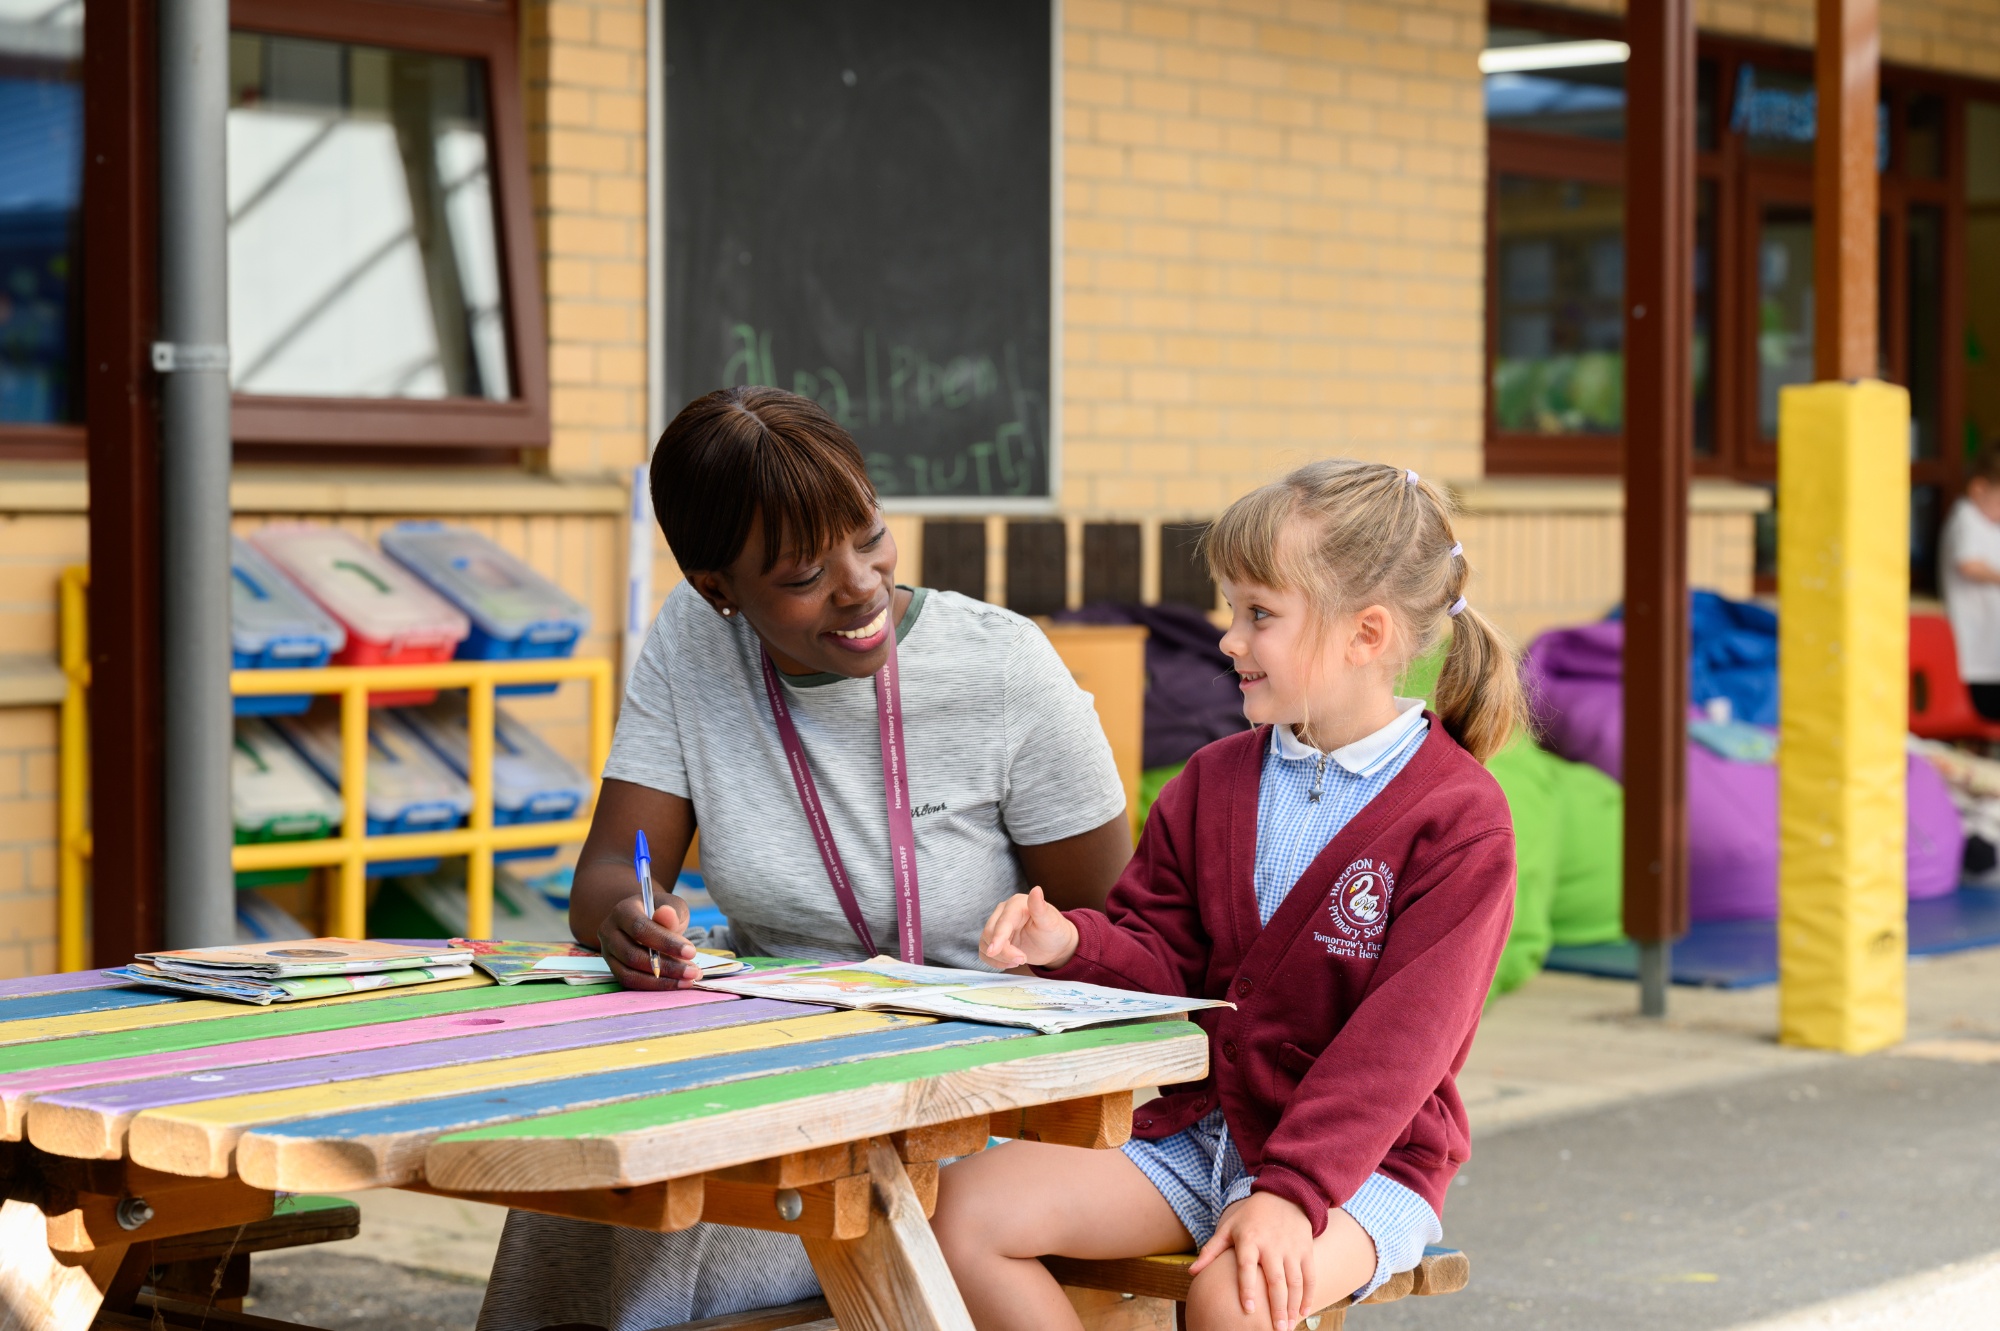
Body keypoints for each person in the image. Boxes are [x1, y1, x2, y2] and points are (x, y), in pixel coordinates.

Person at [476, 387, 1132, 1331]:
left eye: (867, 533)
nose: (860, 582)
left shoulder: (1004, 670)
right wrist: (628, 920)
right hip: (782, 1067)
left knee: (684, 1216)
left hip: (977, 1102)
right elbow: (612, 879)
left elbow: (1122, 936)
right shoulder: (693, 641)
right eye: (803, 574)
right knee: (591, 1183)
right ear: (719, 590)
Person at [931, 460, 1523, 1331]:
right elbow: (1163, 955)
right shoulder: (1211, 781)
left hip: (1363, 1167)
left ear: (1365, 634)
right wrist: (1071, 945)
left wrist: (1289, 1192)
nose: (1228, 639)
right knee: (954, 1214)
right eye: (1232, 610)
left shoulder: (1460, 819)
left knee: (1235, 1300)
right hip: (1195, 1135)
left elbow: (1400, 1049)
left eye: (1259, 615)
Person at [1940, 445, 2000, 721]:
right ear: (1979, 489)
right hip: (1975, 657)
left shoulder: (1990, 525)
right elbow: (1968, 564)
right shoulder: (1966, 517)